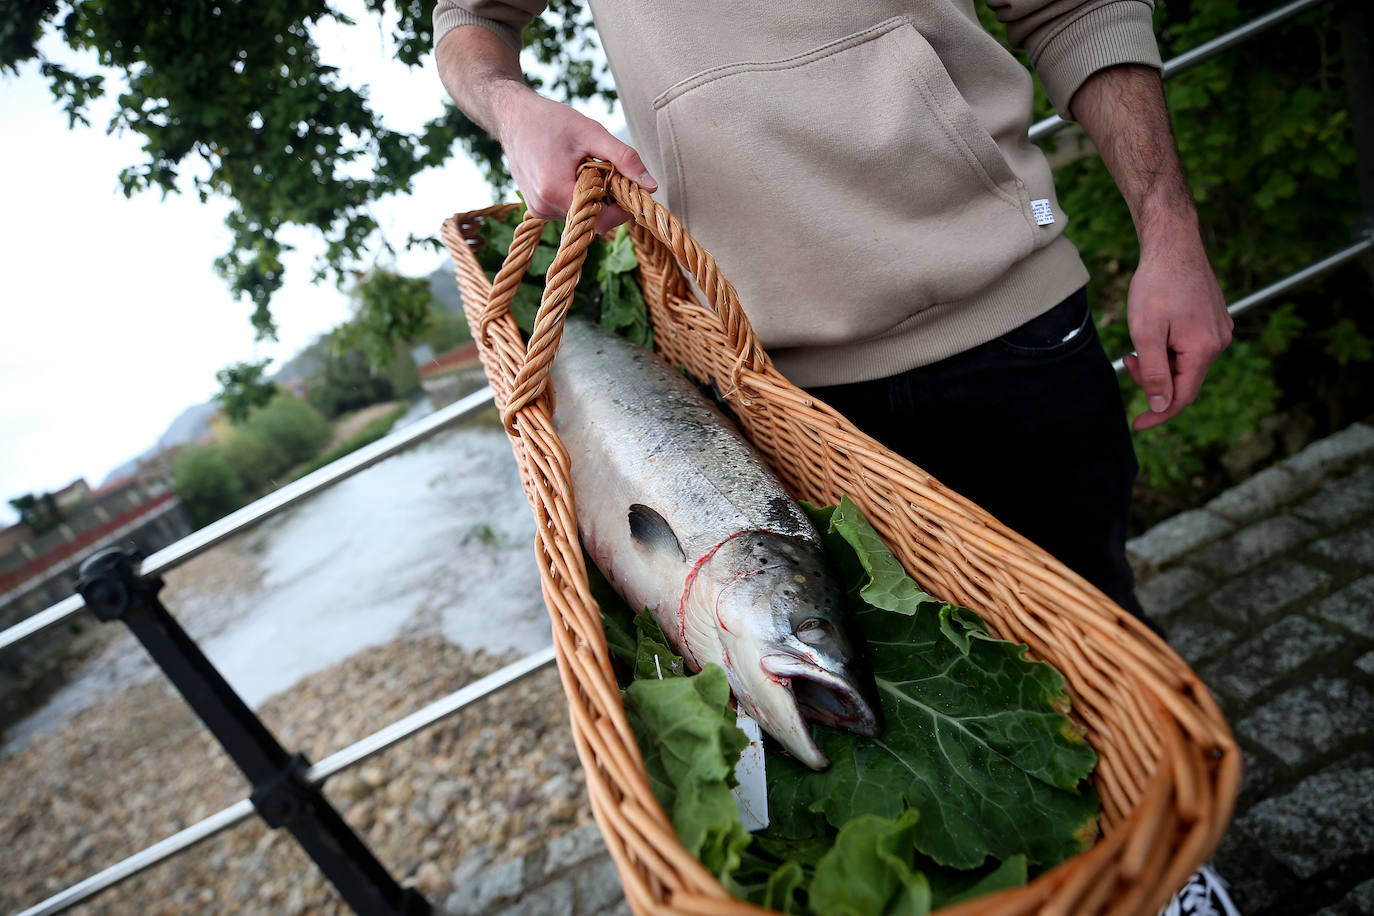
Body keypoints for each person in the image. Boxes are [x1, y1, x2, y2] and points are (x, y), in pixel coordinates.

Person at [430, 1, 1233, 629]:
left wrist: (1171, 230)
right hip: (773, 400)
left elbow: (1075, 7)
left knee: (1099, 624)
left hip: (1011, 328)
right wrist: (511, 107)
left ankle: (1172, 837)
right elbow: (469, 19)